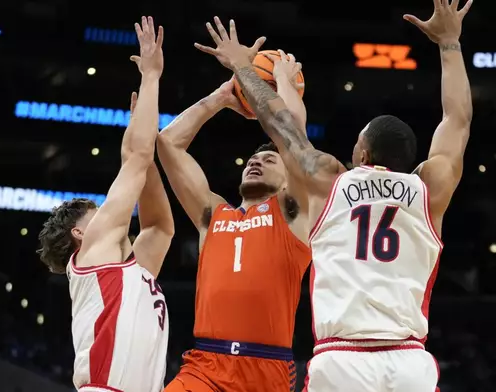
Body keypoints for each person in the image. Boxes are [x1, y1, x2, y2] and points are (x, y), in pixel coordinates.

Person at [196, 1, 473, 390]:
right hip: (409, 359)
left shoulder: (329, 180)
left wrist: (244, 68)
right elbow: (457, 121)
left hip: (342, 358)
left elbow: (279, 123)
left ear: (361, 153)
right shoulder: (430, 187)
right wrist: (449, 43)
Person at [158, 28, 310, 392]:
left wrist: (280, 81)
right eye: (252, 159)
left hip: (266, 369)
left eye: (269, 158)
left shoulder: (293, 213)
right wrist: (220, 98)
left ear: (289, 177)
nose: (255, 163)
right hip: (204, 366)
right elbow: (168, 145)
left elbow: (294, 136)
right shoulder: (214, 215)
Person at [36, 17, 173, 392]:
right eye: (96, 211)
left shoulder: (129, 269)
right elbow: (138, 156)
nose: (110, 210)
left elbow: (160, 227)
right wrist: (150, 76)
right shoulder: (94, 250)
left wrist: (143, 151)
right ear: (81, 232)